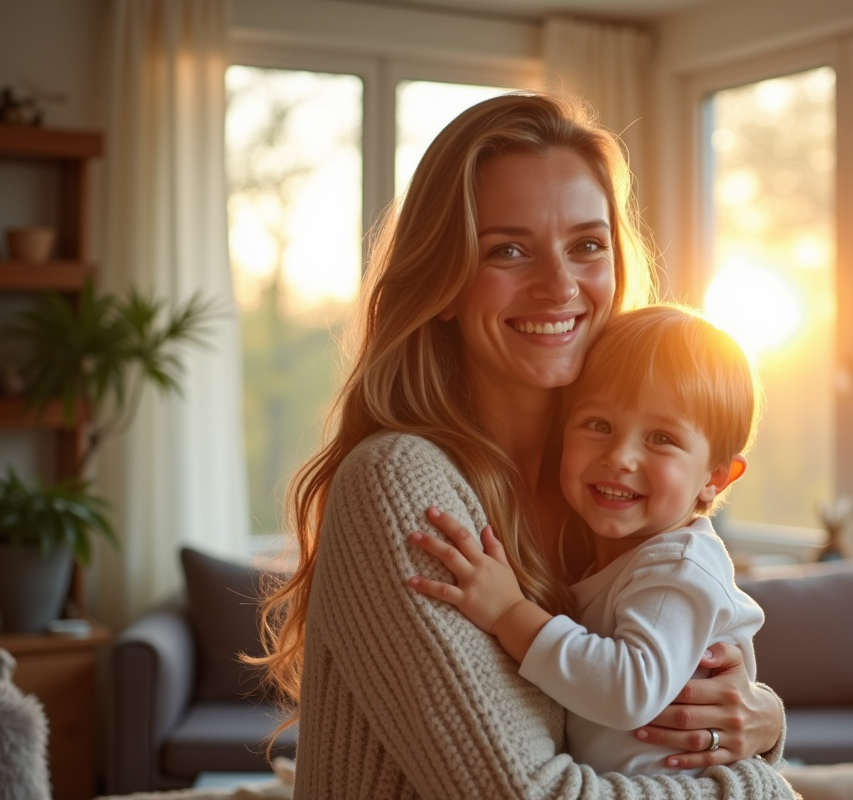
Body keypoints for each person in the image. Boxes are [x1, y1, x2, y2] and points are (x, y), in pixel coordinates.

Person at [258, 92, 793, 799]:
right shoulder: (400, 484)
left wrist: (760, 721)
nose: (559, 285)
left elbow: (645, 714)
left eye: (587, 245)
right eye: (507, 250)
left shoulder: (604, 496)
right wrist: (760, 789)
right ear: (444, 283)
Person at [408, 304, 783, 784]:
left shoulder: (679, 566)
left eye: (661, 438)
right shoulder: (615, 559)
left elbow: (628, 691)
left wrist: (508, 612)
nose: (620, 457)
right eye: (599, 425)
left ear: (715, 477)